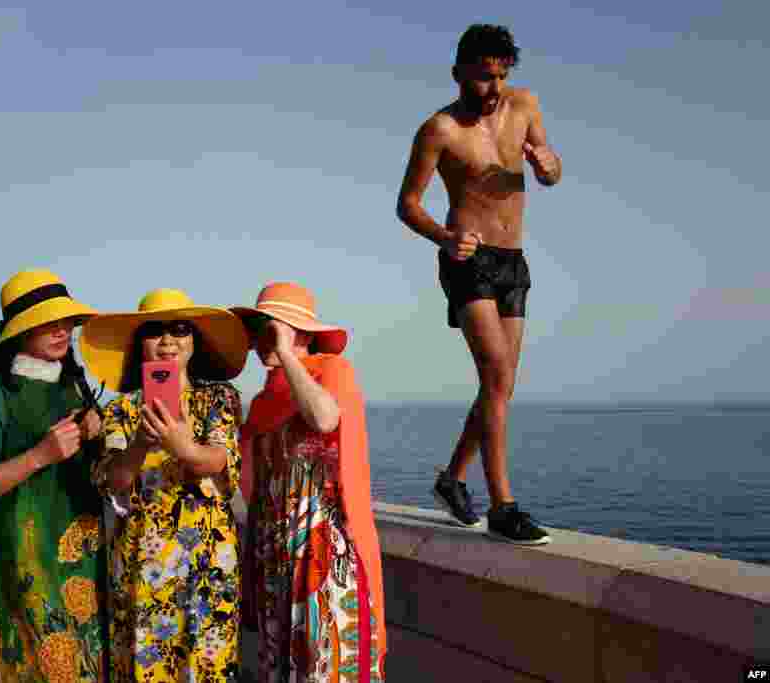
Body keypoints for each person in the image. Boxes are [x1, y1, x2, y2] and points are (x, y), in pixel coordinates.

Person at [396, 23, 562, 544]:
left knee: (501, 384)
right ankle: (503, 506)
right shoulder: (439, 130)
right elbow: (408, 204)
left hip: (514, 259)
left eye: (501, 76)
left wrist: (549, 165)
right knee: (495, 375)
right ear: (458, 73)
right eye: (483, 78)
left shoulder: (525, 106)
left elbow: (551, 171)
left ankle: (452, 479)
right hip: (468, 259)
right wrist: (445, 238)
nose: (493, 89)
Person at [81, 288, 249, 682]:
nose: (169, 340)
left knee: (207, 665)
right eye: (156, 331)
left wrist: (182, 446)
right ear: (140, 343)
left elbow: (221, 460)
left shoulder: (219, 399)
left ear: (195, 342)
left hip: (206, 560)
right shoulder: (121, 410)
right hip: (142, 560)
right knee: (144, 667)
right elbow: (114, 481)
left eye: (180, 329)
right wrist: (140, 443)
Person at [0, 269, 110, 682]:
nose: (61, 331)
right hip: (24, 554)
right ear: (18, 331)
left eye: (65, 321)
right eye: (46, 322)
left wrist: (98, 431)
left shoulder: (75, 383)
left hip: (83, 551)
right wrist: (40, 455)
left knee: (83, 661)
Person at [233, 282, 387, 682]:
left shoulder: (332, 370)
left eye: (273, 326)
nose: (261, 338)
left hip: (323, 547)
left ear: (301, 332)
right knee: (281, 667)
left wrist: (286, 353)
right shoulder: (265, 400)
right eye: (258, 330)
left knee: (326, 663)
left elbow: (323, 419)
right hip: (273, 548)